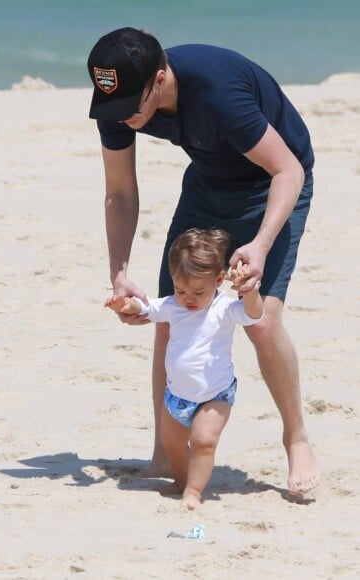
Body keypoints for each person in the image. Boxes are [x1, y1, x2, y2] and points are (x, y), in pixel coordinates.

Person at [87, 27, 319, 495]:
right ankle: (163, 450)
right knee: (173, 313)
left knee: (261, 320)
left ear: (159, 79)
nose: (126, 119)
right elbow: (119, 191)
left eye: (134, 106)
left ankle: (296, 439)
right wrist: (119, 273)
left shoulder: (218, 92)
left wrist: (260, 245)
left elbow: (288, 169)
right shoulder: (118, 101)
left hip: (270, 186)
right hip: (208, 184)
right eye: (115, 108)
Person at [106, 228, 264, 509]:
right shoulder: (173, 305)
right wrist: (125, 303)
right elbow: (144, 308)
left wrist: (249, 292)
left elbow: (253, 314)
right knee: (172, 445)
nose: (188, 298)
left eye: (198, 292)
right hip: (176, 396)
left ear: (218, 280)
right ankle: (181, 480)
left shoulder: (224, 309)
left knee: (204, 441)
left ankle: (193, 490)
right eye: (180, 289)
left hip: (214, 394)